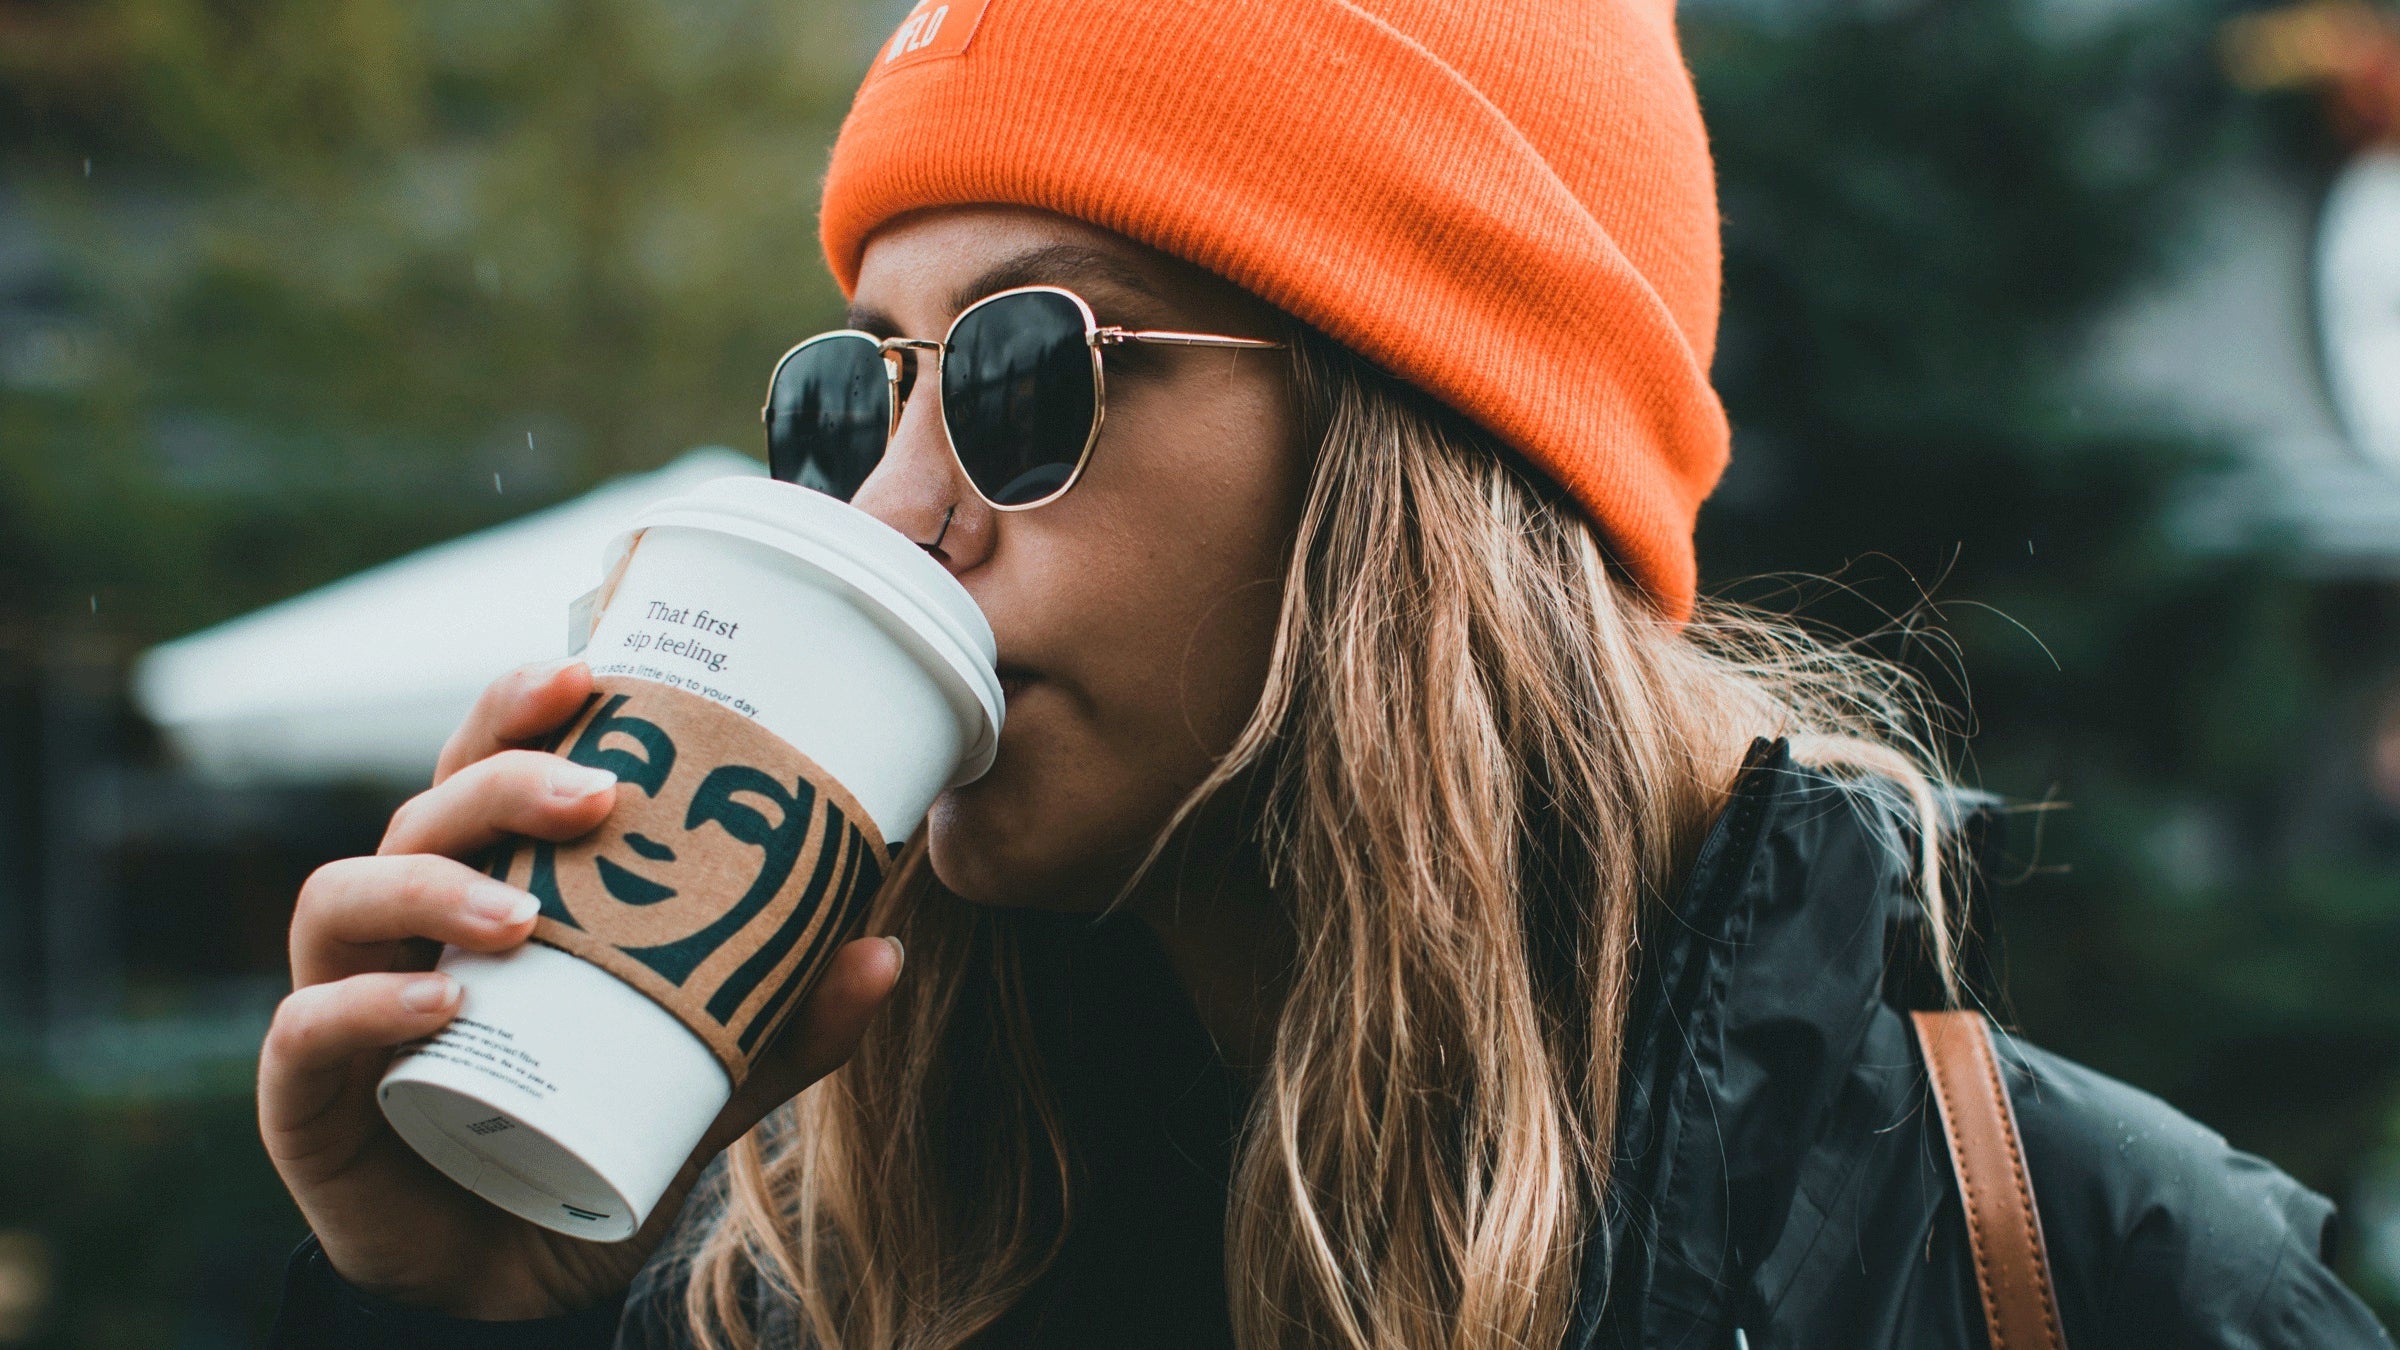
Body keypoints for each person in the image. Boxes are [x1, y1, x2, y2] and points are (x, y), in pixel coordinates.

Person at [260, 0, 2395, 1345]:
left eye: (1023, 370)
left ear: (1417, 462)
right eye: (852, 397)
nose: (885, 513)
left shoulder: (2108, 1276)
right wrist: (474, 1293)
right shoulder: (813, 1273)